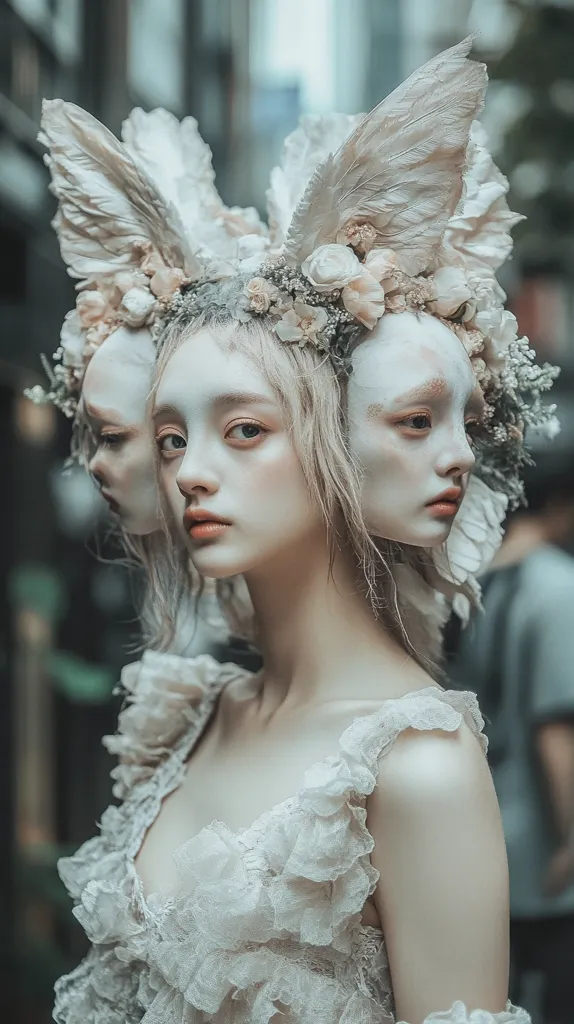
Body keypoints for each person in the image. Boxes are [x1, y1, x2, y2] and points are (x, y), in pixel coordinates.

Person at [30, 38, 552, 1023]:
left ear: (334, 438)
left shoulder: (416, 765)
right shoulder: (187, 716)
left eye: (245, 431)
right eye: (173, 435)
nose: (192, 469)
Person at [449, 455, 574, 1024]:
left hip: (490, 824)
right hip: (543, 839)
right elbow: (556, 727)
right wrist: (571, 838)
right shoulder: (557, 587)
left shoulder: (484, 582)